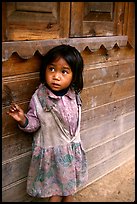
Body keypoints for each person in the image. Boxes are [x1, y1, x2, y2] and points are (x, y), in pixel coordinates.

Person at [7, 44, 88, 202]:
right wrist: (23, 120)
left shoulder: (74, 95)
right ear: (44, 70)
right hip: (53, 156)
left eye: (64, 71)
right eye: (52, 69)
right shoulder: (40, 98)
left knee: (69, 191)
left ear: (74, 75)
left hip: (71, 152)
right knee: (55, 193)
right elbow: (35, 124)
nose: (56, 76)